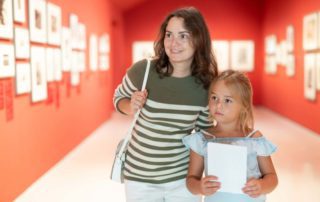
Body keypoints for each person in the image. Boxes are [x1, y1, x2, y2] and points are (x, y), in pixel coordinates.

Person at [113, 6, 218, 202]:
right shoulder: (143, 71)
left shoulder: (205, 86)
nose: (173, 43)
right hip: (139, 178)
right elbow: (118, 98)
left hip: (181, 178)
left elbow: (205, 135)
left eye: (183, 36)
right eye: (169, 35)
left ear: (198, 39)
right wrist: (131, 105)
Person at [183, 70, 278, 202]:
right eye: (214, 97)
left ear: (244, 106)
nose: (218, 105)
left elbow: (272, 178)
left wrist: (261, 186)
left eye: (227, 100)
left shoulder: (254, 139)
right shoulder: (202, 139)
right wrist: (200, 187)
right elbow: (191, 180)